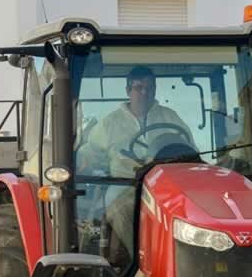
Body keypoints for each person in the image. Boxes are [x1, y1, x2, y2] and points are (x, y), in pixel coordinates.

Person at [80, 66, 194, 263]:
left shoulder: (170, 117)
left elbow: (190, 148)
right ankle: (143, 260)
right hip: (126, 183)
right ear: (128, 91)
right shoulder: (110, 124)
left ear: (155, 90)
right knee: (117, 208)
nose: (144, 92)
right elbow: (91, 154)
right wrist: (82, 164)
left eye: (149, 88)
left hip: (167, 183)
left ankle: (186, 257)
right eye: (139, 87)